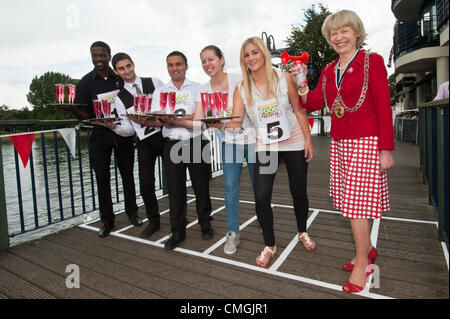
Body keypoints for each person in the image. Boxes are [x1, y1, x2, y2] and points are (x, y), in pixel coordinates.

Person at [295, 10, 395, 293]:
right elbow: (312, 102)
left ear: (357, 33)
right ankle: (369, 248)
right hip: (340, 144)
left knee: (357, 205)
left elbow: (383, 106)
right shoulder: (328, 70)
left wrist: (385, 149)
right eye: (333, 34)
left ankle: (362, 262)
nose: (338, 37)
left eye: (344, 31)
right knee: (351, 201)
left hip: (366, 142)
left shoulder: (371, 62)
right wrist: (300, 82)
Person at [227, 37, 315, 268]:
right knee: (261, 196)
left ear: (264, 54)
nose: (251, 58)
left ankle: (302, 231)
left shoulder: (283, 76)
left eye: (255, 52)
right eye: (247, 55)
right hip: (266, 146)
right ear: (243, 61)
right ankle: (270, 244)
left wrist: (308, 140)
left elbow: (298, 109)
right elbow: (236, 121)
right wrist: (216, 122)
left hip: (294, 141)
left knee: (299, 192)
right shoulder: (241, 88)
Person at [73, 41, 142, 238]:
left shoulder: (120, 78)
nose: (99, 59)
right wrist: (74, 111)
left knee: (128, 175)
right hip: (100, 137)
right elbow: (83, 115)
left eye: (102, 55)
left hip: (123, 134)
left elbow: (134, 106)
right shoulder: (85, 83)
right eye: (95, 56)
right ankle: (107, 220)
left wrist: (137, 132)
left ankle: (132, 212)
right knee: (102, 179)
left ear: (109, 55)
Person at [194, 45, 256, 254]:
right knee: (230, 188)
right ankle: (233, 232)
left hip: (254, 139)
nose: (207, 64)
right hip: (229, 141)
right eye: (203, 61)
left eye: (210, 59)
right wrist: (169, 121)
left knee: (261, 188)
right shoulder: (203, 89)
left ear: (221, 59)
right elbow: (198, 121)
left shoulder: (240, 78)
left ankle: (267, 229)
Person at [150, 51, 214, 250]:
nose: (174, 68)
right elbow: (157, 115)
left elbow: (199, 118)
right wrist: (187, 118)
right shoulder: (160, 91)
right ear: (167, 67)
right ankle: (177, 232)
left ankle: (205, 224)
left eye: (178, 64)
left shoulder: (198, 88)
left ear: (186, 66)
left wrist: (176, 119)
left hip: (196, 142)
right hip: (172, 143)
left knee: (201, 187)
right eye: (170, 65)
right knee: (175, 191)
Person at [110, 52, 166, 239]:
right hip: (144, 142)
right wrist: (113, 127)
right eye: (121, 68)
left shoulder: (155, 82)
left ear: (133, 64)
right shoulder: (119, 98)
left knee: (174, 181)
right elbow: (127, 128)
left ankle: (178, 219)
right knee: (146, 184)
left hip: (164, 136)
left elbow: (168, 106)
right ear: (116, 71)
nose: (126, 71)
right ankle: (154, 222)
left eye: (128, 66)